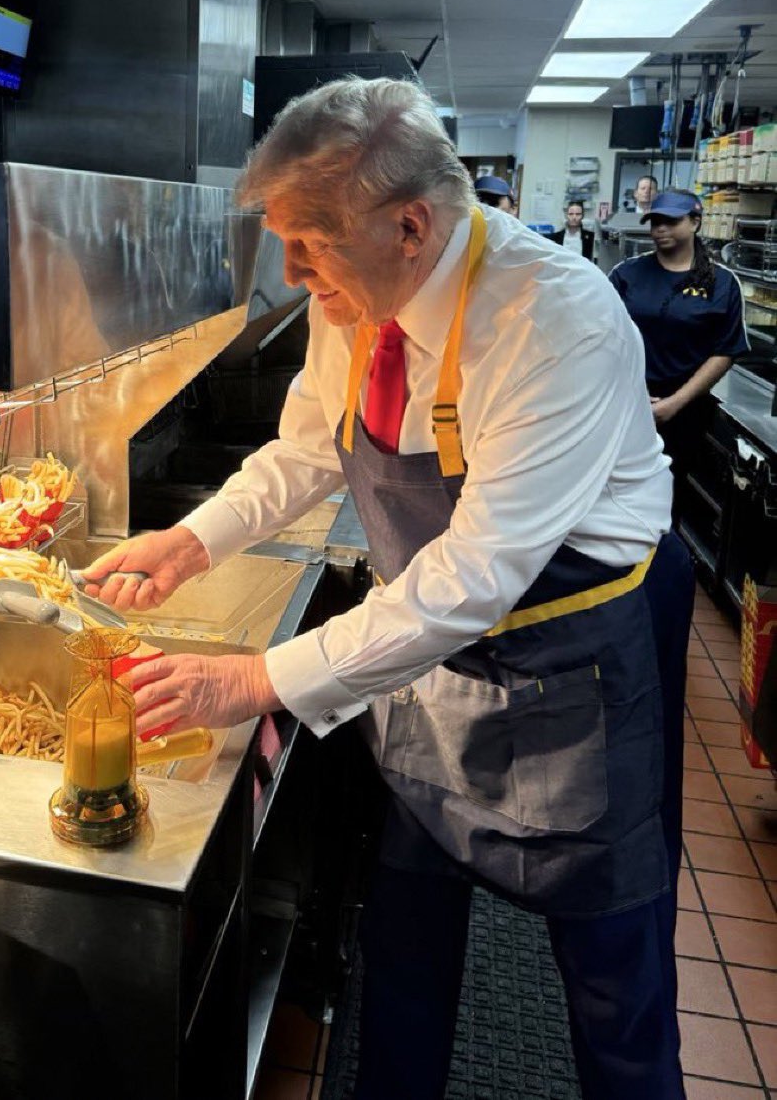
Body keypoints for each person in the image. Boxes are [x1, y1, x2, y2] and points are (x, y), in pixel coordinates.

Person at [86, 77, 694, 1100]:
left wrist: (255, 680)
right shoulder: (352, 294)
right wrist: (189, 542)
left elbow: (472, 578)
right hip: (424, 651)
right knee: (402, 931)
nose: (288, 271)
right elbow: (304, 452)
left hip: (572, 655)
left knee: (609, 968)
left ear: (409, 224)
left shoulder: (555, 318)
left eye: (307, 244)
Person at [609, 188, 749, 504]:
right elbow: (601, 336)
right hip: (624, 402)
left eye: (671, 221)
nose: (660, 229)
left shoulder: (721, 282)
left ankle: (663, 554)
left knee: (667, 496)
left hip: (685, 410)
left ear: (695, 222)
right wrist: (627, 391)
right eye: (655, 221)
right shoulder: (627, 273)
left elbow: (725, 350)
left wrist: (674, 403)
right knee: (616, 493)